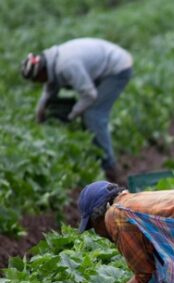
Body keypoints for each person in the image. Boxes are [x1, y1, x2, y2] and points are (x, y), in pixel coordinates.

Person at [20, 38, 132, 184]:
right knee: (84, 112)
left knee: (93, 115)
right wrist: (39, 114)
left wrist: (71, 115)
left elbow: (90, 95)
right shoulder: (51, 62)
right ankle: (97, 156)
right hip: (102, 65)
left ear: (41, 71)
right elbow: (49, 90)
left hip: (118, 68)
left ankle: (111, 168)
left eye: (37, 80)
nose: (38, 83)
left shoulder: (67, 66)